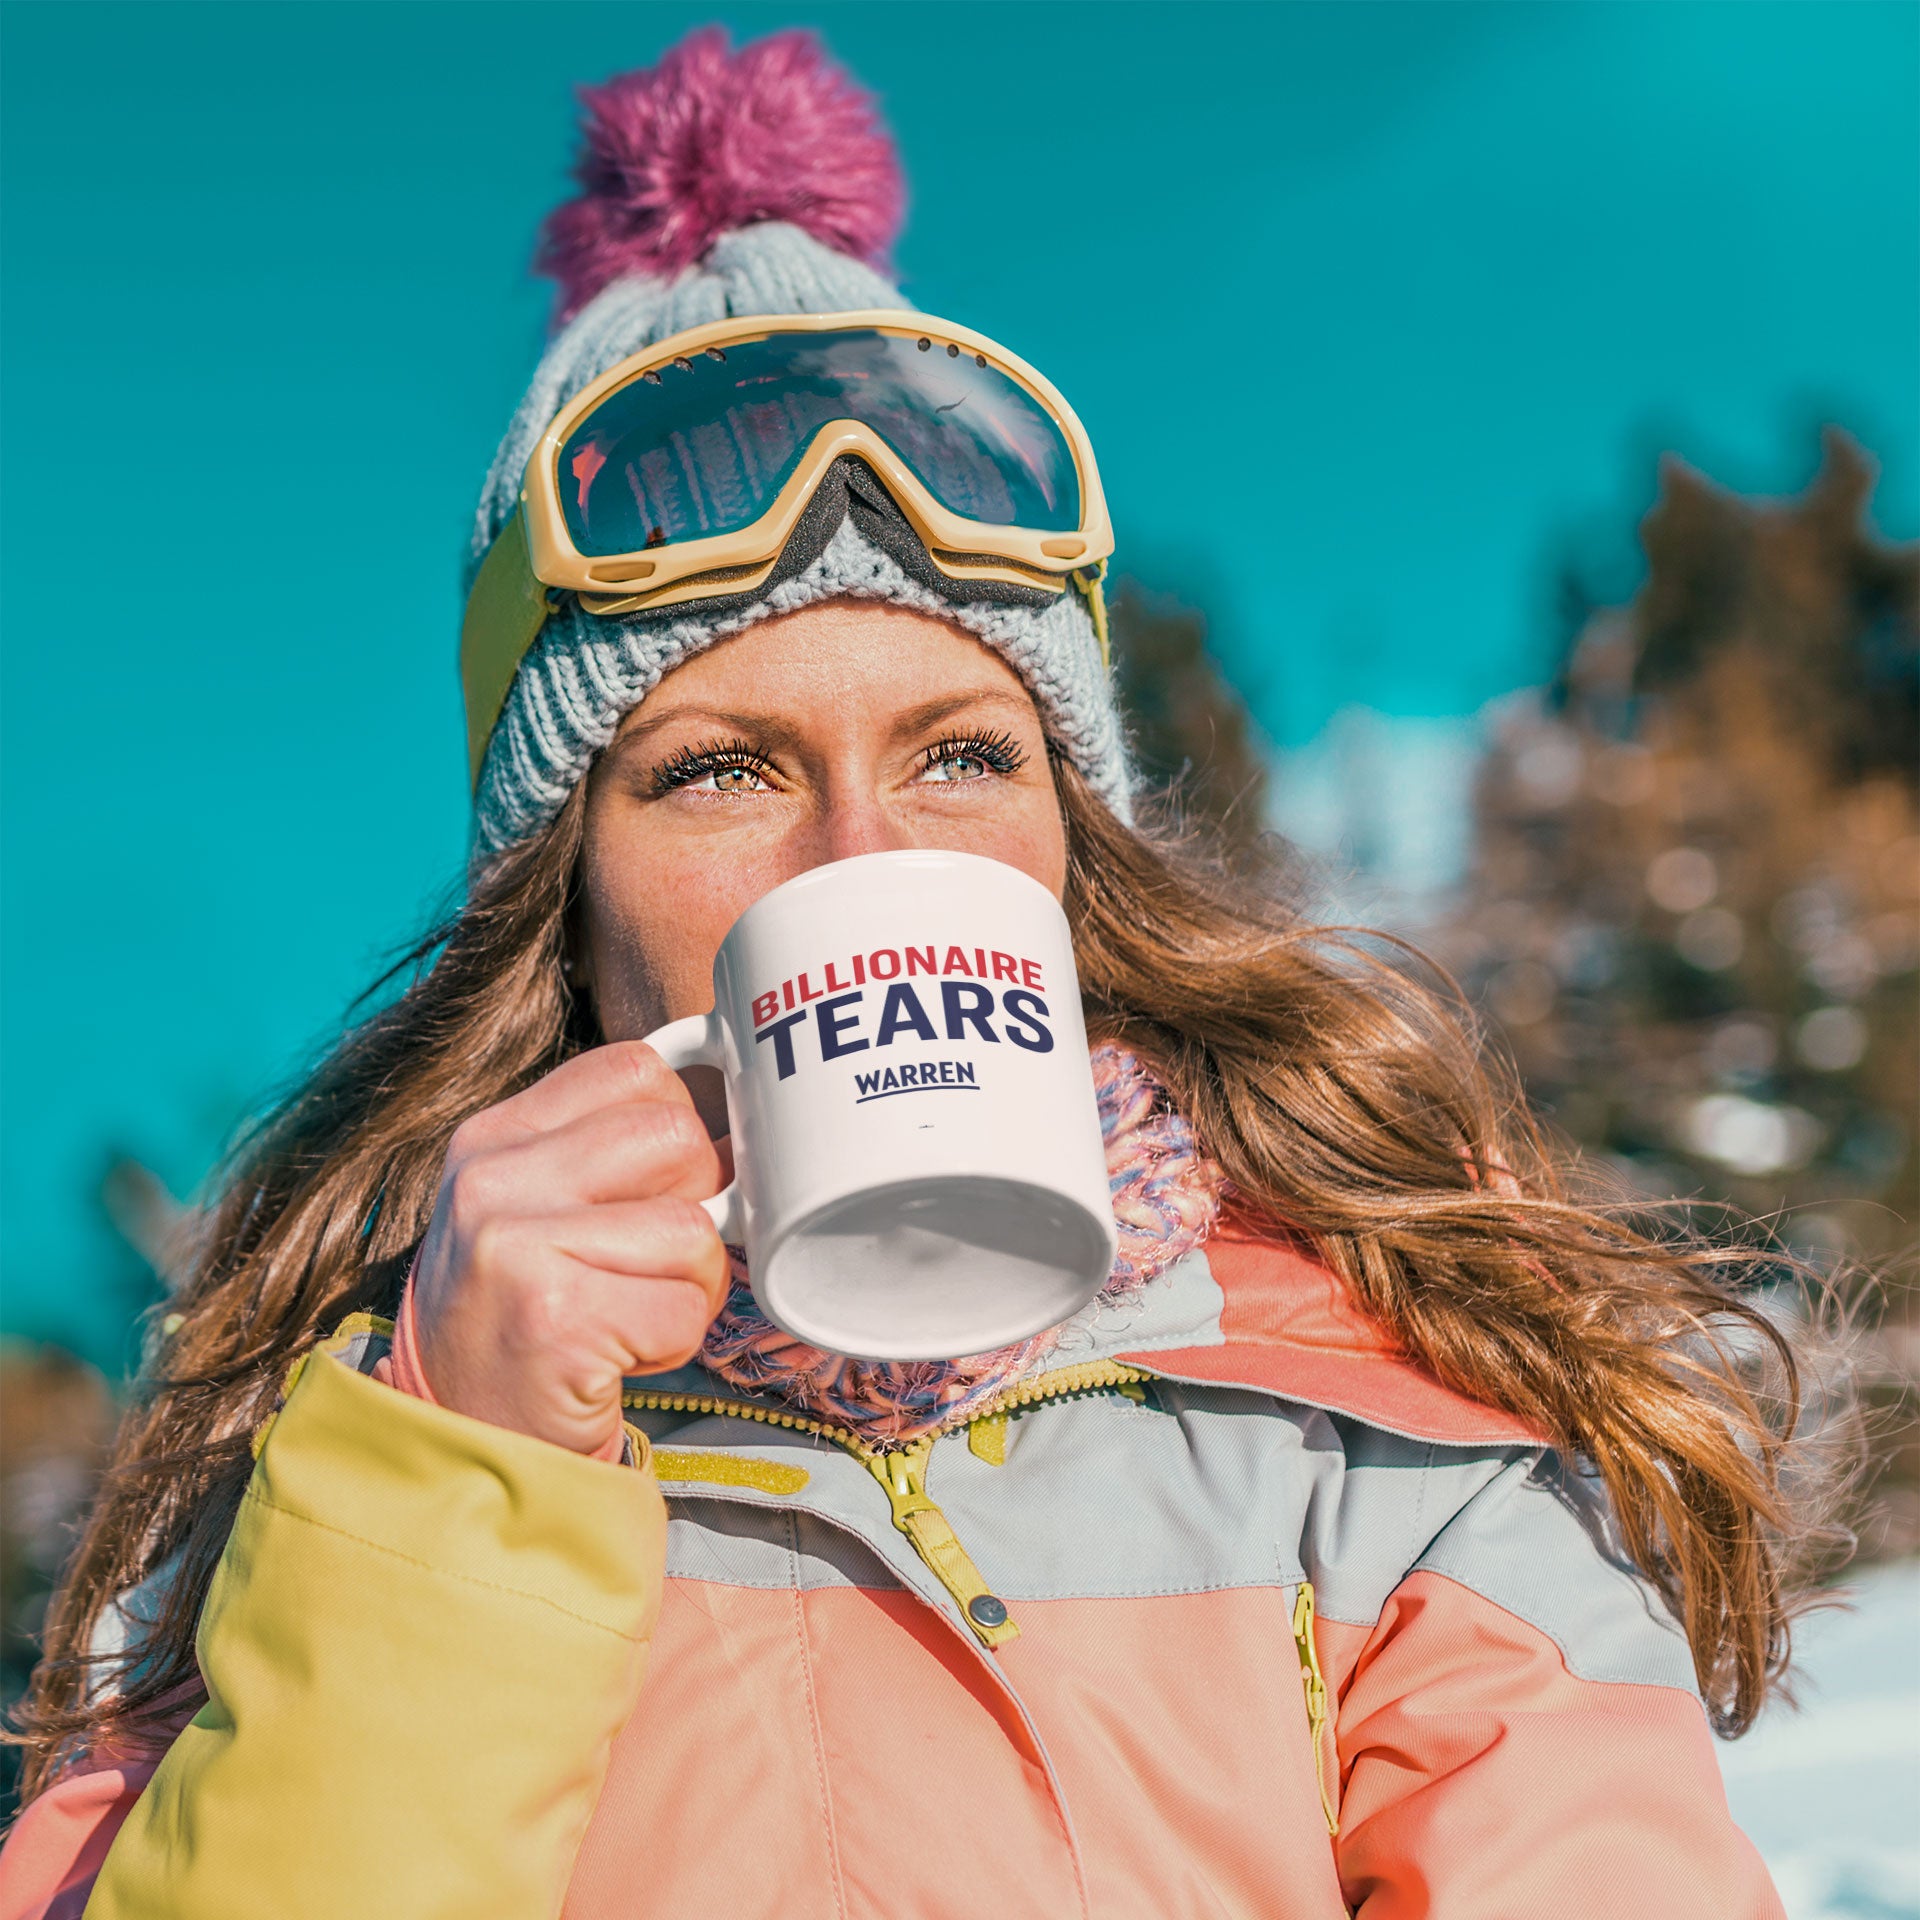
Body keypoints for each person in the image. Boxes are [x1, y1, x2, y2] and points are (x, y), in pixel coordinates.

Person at [3, 29, 1825, 1919]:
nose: (864, 859)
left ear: (1074, 845)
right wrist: (459, 1479)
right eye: (720, 771)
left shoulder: (1378, 1415)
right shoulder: (322, 1485)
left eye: (961, 754)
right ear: (562, 894)